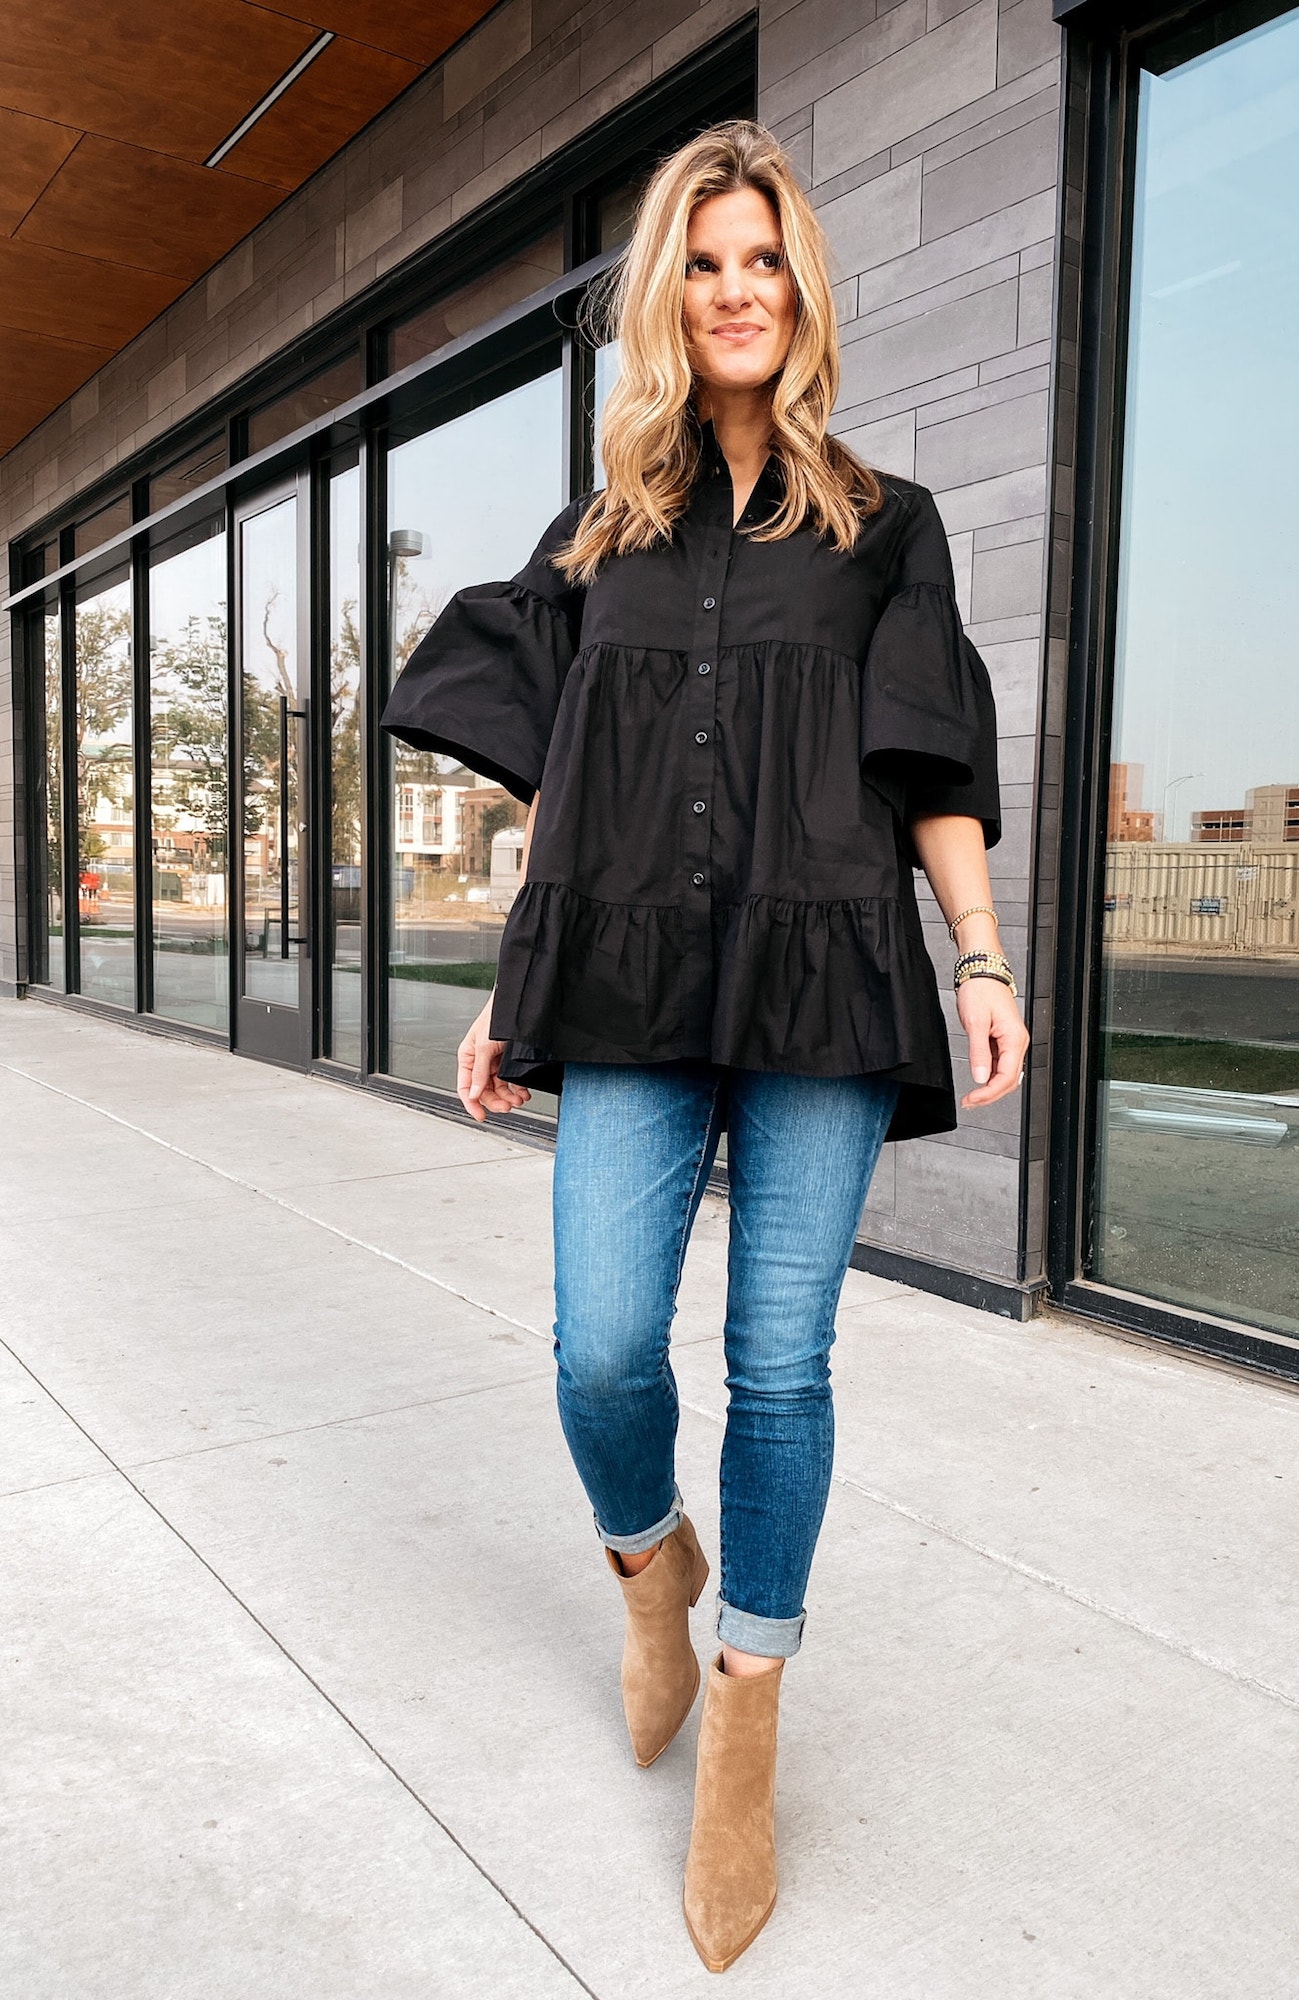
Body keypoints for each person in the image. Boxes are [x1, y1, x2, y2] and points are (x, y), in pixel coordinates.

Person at [381, 118, 1027, 1973]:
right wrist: (517, 985)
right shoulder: (603, 538)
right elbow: (566, 798)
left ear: (801, 291)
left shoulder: (885, 524)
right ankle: (646, 1573)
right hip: (636, 984)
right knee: (597, 1350)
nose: (737, 292)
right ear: (667, 295)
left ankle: (747, 1708)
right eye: (705, 262)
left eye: (765, 262)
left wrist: (979, 958)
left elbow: (932, 765)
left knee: (781, 1364)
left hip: (825, 976)